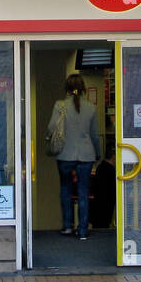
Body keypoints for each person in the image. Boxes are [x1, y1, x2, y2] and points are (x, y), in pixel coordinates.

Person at [49, 74, 100, 239]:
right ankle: (83, 230)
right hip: (86, 154)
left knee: (65, 189)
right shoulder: (91, 107)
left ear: (67, 88)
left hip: (65, 154)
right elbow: (95, 135)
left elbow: (51, 127)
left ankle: (67, 226)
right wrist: (97, 153)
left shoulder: (60, 105)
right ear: (83, 87)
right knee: (83, 191)